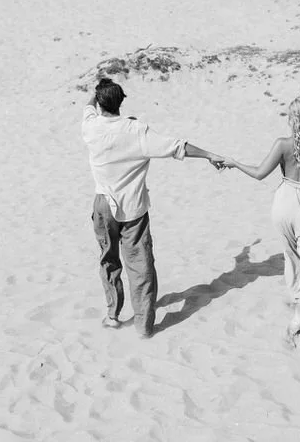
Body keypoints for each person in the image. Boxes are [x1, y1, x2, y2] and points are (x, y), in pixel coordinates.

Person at [82, 77, 223, 339]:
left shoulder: (90, 127)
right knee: (141, 266)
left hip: (103, 206)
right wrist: (209, 155)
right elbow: (177, 147)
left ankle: (113, 315)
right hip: (133, 209)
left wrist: (96, 90)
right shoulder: (137, 131)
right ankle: (144, 327)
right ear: (121, 102)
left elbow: (88, 108)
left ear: (100, 104)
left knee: (108, 260)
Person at [219, 96, 300, 347]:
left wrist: (235, 163)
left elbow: (260, 173)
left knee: (292, 254)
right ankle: (299, 314)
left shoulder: (283, 145)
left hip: (283, 203)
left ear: (293, 119)